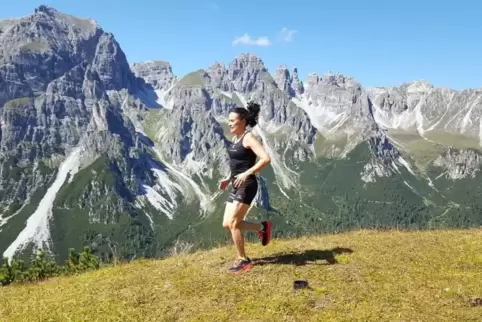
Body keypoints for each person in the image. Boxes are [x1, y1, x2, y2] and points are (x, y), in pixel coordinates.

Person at [218, 101, 272, 274]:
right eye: (229, 120)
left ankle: (243, 260)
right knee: (227, 224)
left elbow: (265, 159)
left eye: (232, 120)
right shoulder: (236, 138)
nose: (229, 123)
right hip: (235, 184)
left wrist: (246, 174)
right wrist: (228, 178)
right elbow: (237, 164)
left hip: (247, 185)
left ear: (242, 121)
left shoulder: (248, 138)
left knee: (234, 222)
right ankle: (263, 227)